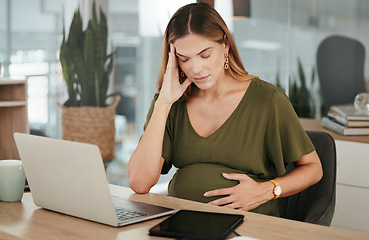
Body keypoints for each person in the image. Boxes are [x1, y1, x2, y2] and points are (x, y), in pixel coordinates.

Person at [128, 3, 322, 217]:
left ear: (225, 45)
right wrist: (163, 103)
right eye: (184, 59)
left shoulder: (268, 100)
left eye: (204, 55)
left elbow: (313, 169)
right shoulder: (170, 102)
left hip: (249, 224)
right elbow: (139, 183)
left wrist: (268, 190)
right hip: (179, 221)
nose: (196, 69)